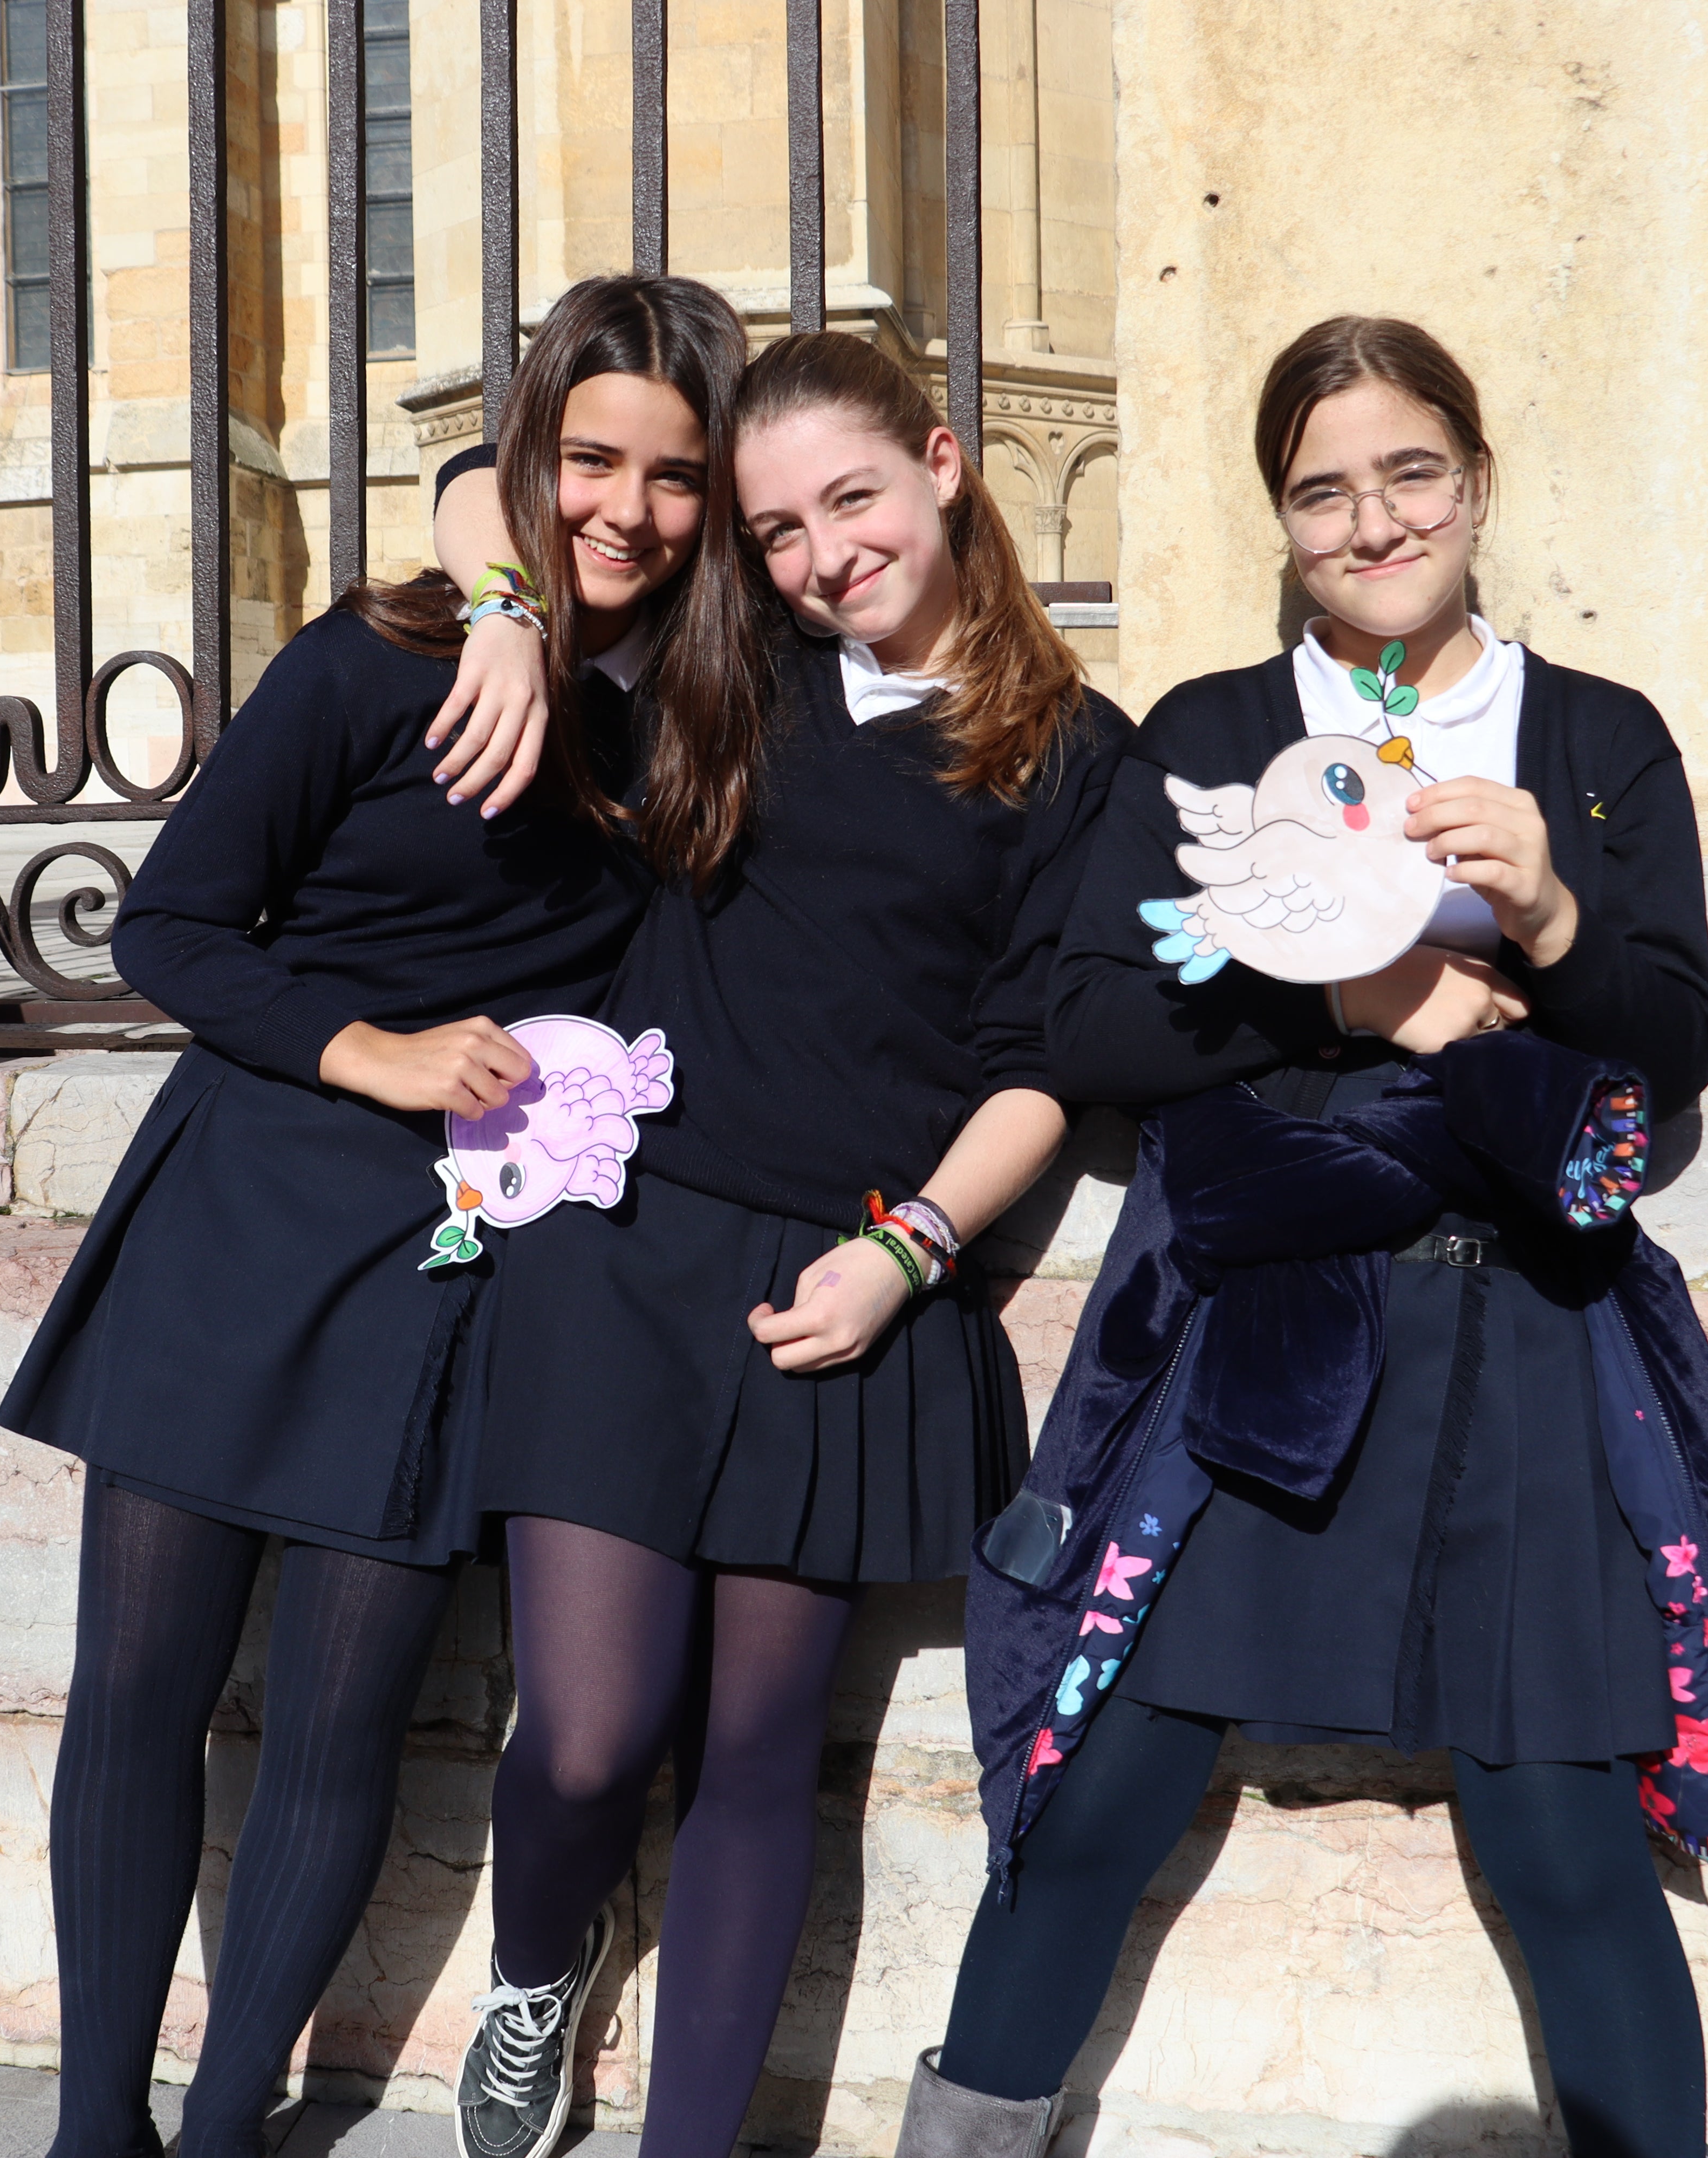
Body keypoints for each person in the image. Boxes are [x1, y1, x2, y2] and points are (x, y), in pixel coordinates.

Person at [900, 317, 1708, 2158]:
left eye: (1410, 471)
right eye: (1322, 490)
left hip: (1523, 1340)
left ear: (1479, 479)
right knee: (1098, 1789)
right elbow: (1096, 1025)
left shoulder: (1596, 741)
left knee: (1565, 1832)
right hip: (1264, 1336)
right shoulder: (1210, 733)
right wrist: (1358, 1004)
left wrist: (1556, 912)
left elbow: (1675, 1051)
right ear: (1284, 521)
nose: (1374, 522)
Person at [0, 274, 753, 2158]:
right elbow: (167, 927)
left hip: (451, 1259)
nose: (625, 512)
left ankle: (232, 2118)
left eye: (675, 476)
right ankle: (101, 2130)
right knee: (139, 1697)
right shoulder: (364, 664)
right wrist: (374, 1052)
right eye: (588, 459)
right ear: (530, 451)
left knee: (341, 1733)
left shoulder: (707, 731)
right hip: (243, 1198)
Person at [423, 331, 1126, 2158]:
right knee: (584, 1731)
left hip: (845, 1284)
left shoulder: (1071, 754)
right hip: (625, 1249)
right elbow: (506, 509)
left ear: (949, 463)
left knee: (756, 1755)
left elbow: (1041, 1071)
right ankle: (532, 1973)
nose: (821, 554)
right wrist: (511, 612)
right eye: (778, 523)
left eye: (853, 500)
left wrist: (908, 1256)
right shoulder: (737, 657)